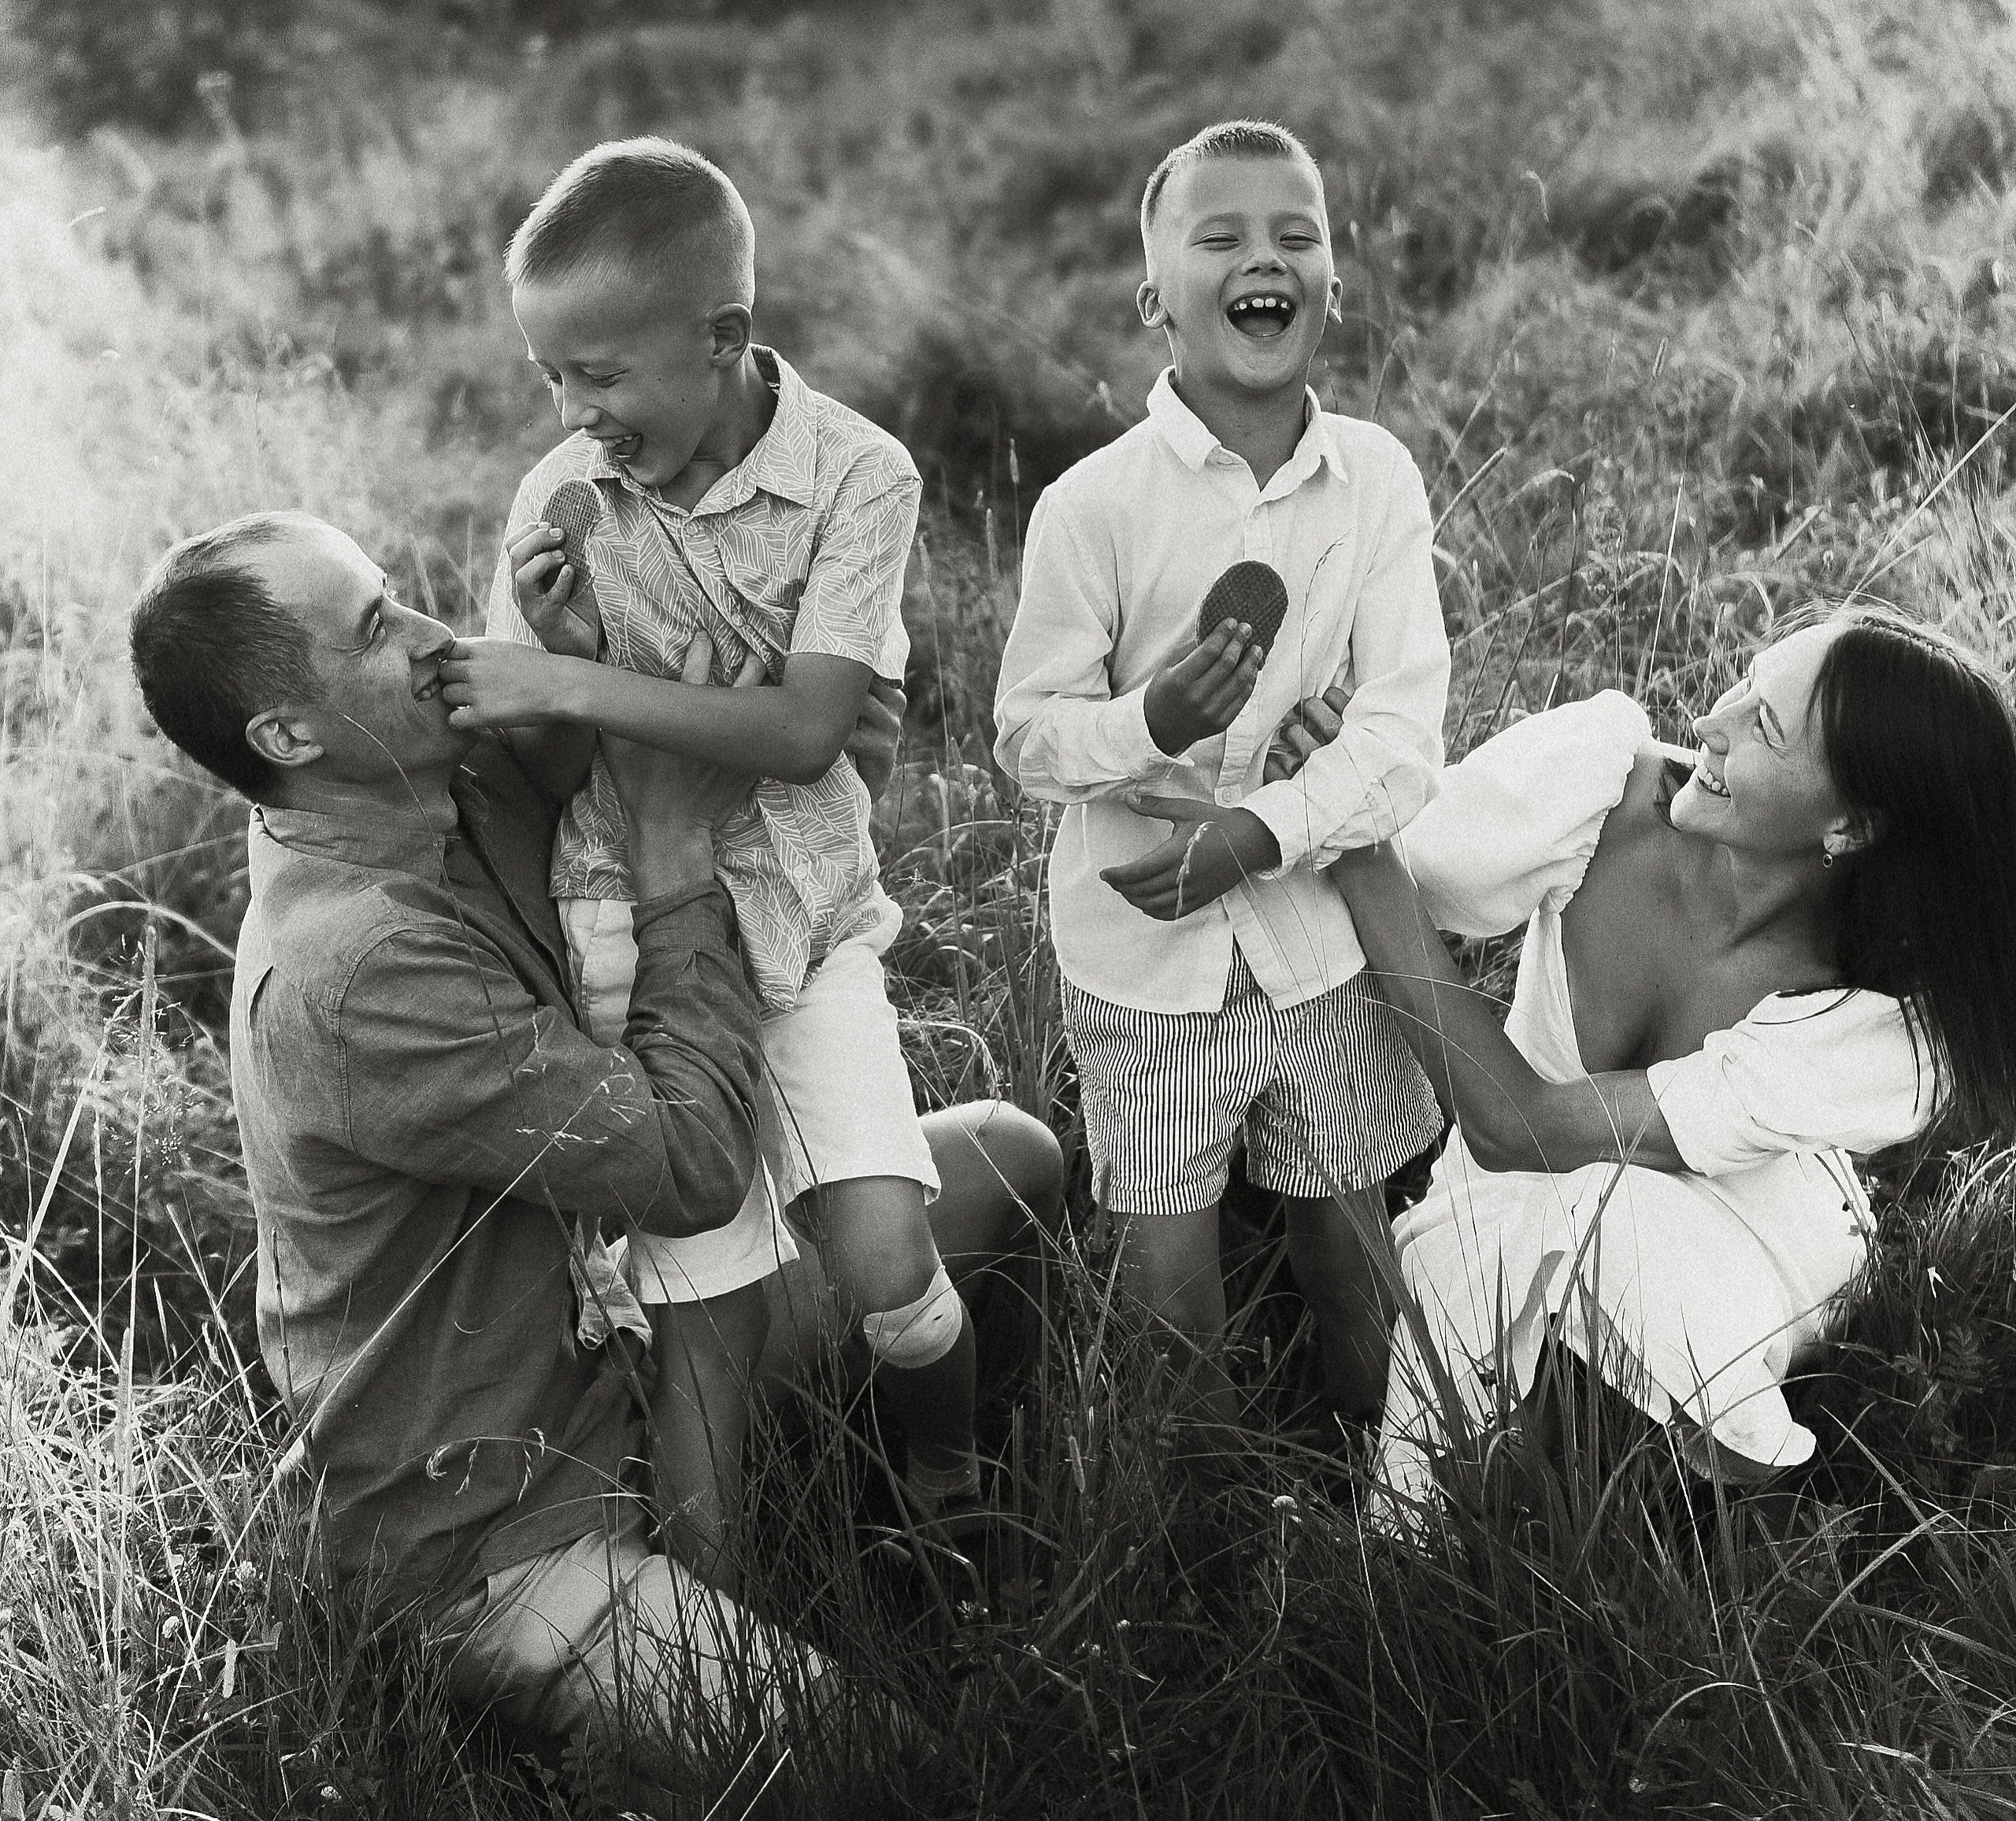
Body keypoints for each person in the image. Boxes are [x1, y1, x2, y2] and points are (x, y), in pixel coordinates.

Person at [127, 509, 1061, 1755]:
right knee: (880, 1763)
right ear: (287, 735)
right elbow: (689, 1164)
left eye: (398, 593)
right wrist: (679, 848)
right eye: (373, 630)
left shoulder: (400, 783)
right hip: (487, 1530)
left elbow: (574, 776)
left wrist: (802, 757)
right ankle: (621, 1666)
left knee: (1009, 1155)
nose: (429, 636)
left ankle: (922, 1496)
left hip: (615, 1356)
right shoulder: (360, 970)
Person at [439, 137, 986, 1579]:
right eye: (550, 376)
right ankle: (719, 1627)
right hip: (628, 930)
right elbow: (542, 769)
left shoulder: (858, 476)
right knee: (707, 1312)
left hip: (801, 931)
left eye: (601, 377)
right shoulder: (562, 501)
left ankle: (955, 1492)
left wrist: (567, 683)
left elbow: (811, 730)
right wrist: (555, 656)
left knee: (885, 1262)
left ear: (725, 337)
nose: (572, 413)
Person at [1247, 607, 2016, 1506]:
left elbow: (1515, 1123)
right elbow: (1397, 857)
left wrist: (1362, 851)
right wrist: (1337, 784)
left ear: (1849, 828)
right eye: (1744, 680)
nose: (1707, 722)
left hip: (1747, 1232)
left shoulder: (1878, 1027)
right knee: (1490, 1278)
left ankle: (1579, 1509)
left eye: (1761, 724)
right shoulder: (1603, 785)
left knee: (1580, 1241)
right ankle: (1444, 1505)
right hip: (1507, 1187)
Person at [992, 118, 1451, 1426]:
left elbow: (1405, 732)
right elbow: (1029, 732)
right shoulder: (1094, 506)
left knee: (1354, 1263)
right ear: (1156, 301)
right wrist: (1151, 718)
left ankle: (1398, 1508)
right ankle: (1186, 1549)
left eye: (1297, 236)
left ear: (1333, 289)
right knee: (1169, 1310)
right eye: (1224, 237)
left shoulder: (1374, 481)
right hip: (1147, 980)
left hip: (1315, 949)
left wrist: (1266, 832)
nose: (1268, 258)